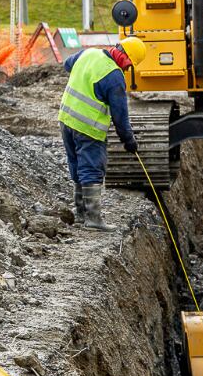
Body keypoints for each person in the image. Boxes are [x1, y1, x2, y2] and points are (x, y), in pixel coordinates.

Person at [59, 37, 147, 232]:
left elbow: (67, 65)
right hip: (88, 127)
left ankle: (81, 214)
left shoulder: (89, 53)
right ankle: (93, 219)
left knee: (76, 164)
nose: (127, 69)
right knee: (91, 168)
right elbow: (120, 117)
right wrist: (129, 140)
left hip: (66, 119)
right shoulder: (114, 77)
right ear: (124, 57)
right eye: (129, 65)